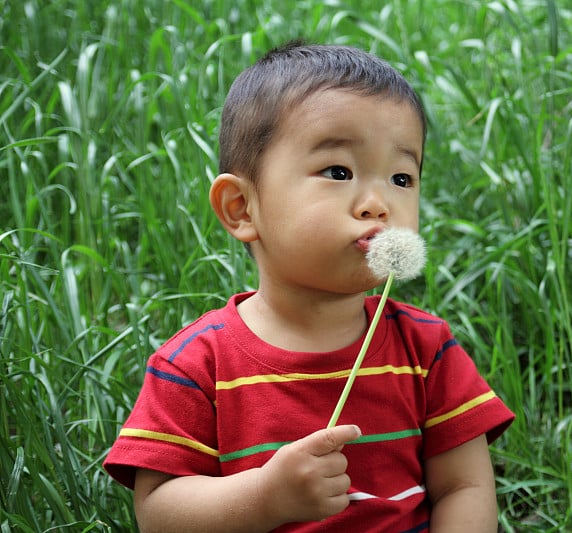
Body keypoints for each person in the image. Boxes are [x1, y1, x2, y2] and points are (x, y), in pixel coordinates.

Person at [104, 40, 515, 532]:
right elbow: (158, 514)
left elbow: (463, 486)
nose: (378, 204)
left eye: (402, 178)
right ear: (241, 207)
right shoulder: (196, 365)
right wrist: (264, 497)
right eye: (338, 171)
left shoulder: (426, 349)